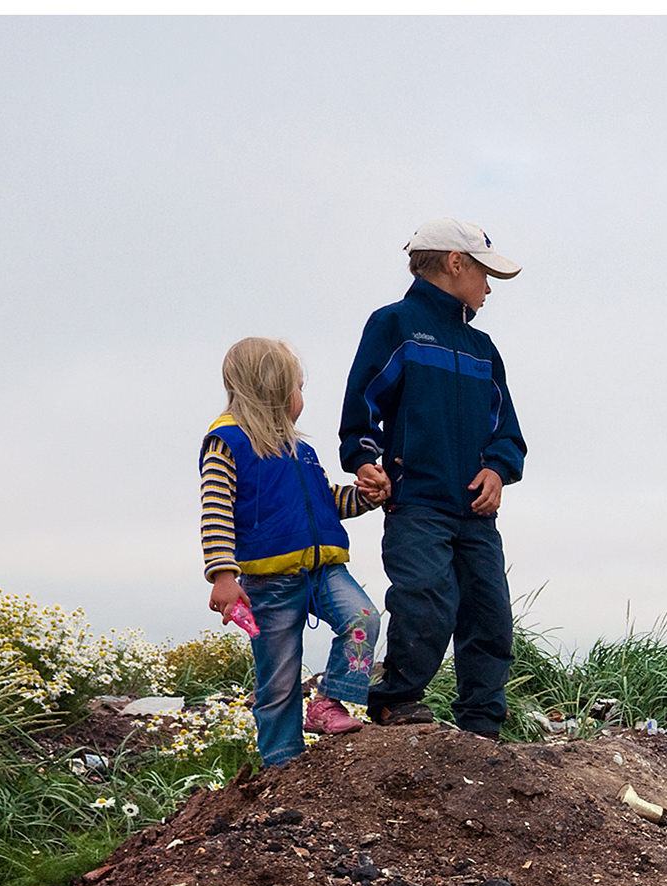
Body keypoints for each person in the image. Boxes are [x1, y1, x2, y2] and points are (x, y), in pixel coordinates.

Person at [339, 218, 526, 737]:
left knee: (489, 614)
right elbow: (363, 407)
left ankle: (483, 723)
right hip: (416, 502)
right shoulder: (394, 324)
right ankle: (395, 701)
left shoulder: (484, 349)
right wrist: (364, 460)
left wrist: (497, 469)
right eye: (485, 274)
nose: (489, 288)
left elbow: (507, 432)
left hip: (475, 513)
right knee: (425, 599)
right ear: (455, 262)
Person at [200, 337, 382, 768]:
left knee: (364, 618)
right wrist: (223, 576)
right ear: (275, 389)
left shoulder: (304, 451)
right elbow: (215, 511)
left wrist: (366, 496)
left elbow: (327, 501)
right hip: (268, 581)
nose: (302, 397)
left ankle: (330, 701)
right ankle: (282, 765)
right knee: (278, 681)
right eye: (298, 387)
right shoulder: (227, 442)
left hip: (325, 570)